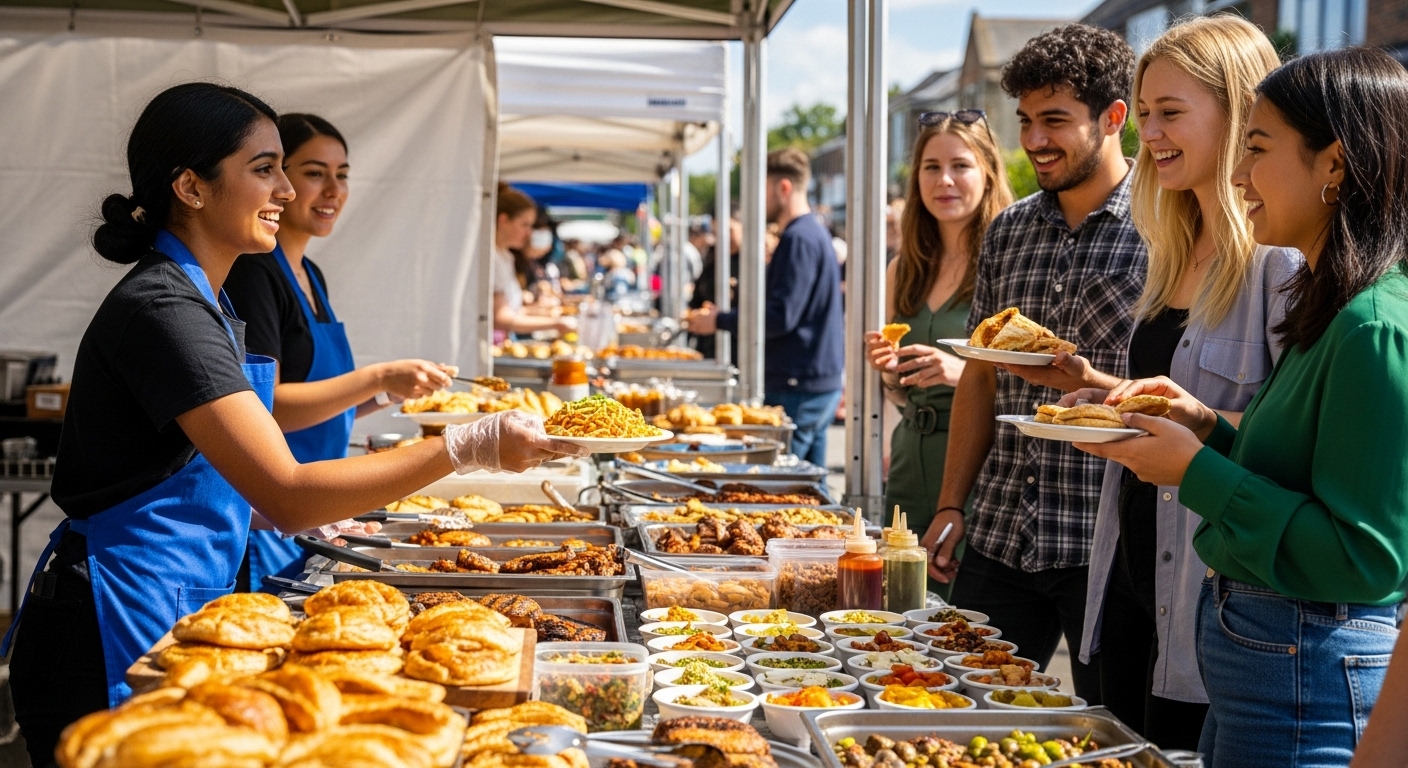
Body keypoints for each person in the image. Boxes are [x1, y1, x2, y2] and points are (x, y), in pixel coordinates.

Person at [3, 83, 585, 765]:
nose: (285, 189)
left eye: (285, 167)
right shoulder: (165, 309)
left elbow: (206, 468)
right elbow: (284, 491)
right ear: (190, 186)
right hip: (113, 609)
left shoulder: (205, 301)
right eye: (264, 168)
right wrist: (466, 446)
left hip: (181, 592)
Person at [1075, 47, 1408, 766]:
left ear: (1335, 165)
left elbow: (1364, 558)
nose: (1236, 174)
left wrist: (1194, 470)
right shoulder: (1331, 307)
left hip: (1302, 667)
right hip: (1265, 658)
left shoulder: (1371, 326)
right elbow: (1298, 477)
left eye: (1255, 149)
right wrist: (1204, 428)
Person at [997, 17, 1295, 748]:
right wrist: (1106, 395)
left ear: (1237, 115)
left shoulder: (1279, 262)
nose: (1150, 134)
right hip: (1130, 567)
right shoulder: (1172, 242)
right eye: (1148, 112)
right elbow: (1177, 397)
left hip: (1213, 593)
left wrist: (1183, 429)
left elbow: (1292, 443)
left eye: (1171, 112)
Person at [927, 23, 1144, 702]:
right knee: (958, 711)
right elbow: (981, 378)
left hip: (1104, 544)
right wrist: (951, 503)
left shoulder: (1167, 228)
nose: (1034, 140)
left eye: (1055, 120)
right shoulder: (1009, 229)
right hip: (999, 530)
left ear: (1114, 118)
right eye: (1025, 120)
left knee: (1106, 731)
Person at [223, 113, 454, 593]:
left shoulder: (311, 274)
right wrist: (376, 376)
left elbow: (326, 410)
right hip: (274, 520)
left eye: (342, 175)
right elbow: (268, 411)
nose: (333, 189)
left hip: (322, 514)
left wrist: (390, 396)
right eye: (314, 173)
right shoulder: (256, 275)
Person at [861, 110, 1013, 547]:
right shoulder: (903, 269)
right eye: (932, 167)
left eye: (960, 166)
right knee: (905, 599)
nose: (944, 180)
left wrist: (959, 372)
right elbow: (896, 390)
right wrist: (890, 370)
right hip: (911, 454)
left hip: (980, 462)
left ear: (987, 172)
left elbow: (1037, 378)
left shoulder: (1007, 262)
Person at [686, 149, 845, 466]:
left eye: (760, 191)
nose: (754, 203)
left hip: (797, 382)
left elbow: (780, 317)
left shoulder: (799, 238)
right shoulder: (811, 233)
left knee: (783, 489)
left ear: (783, 188)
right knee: (809, 488)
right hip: (811, 380)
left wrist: (720, 320)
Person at [492, 183, 573, 338]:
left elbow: (512, 310)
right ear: (503, 220)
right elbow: (500, 317)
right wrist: (556, 323)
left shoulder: (505, 256)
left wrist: (541, 311)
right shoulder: (492, 257)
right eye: (524, 224)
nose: (529, 232)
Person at [690, 216, 741, 361]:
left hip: (740, 351)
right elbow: (697, 298)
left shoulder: (755, 264)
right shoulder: (712, 260)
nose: (724, 237)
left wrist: (721, 319)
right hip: (709, 348)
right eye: (717, 232)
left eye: (729, 230)